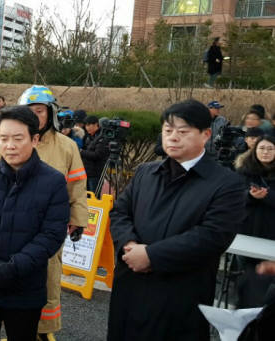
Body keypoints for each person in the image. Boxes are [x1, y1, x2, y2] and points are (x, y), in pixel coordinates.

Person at [108, 99, 246, 341]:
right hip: (131, 286)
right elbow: (119, 212)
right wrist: (129, 244)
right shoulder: (146, 172)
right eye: (168, 130)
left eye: (183, 132)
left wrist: (152, 256)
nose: (173, 137)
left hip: (179, 294)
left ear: (206, 134)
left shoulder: (226, 184)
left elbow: (212, 236)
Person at [0, 106, 69, 341]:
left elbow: (51, 235)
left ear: (35, 139)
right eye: (4, 138)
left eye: (18, 139)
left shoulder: (53, 182)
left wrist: (12, 268)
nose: (9, 145)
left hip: (25, 289)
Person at [17, 86, 87, 340]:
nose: (35, 117)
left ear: (50, 113)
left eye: (39, 111)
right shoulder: (15, 140)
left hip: (50, 227)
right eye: (29, 112)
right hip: (15, 223)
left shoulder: (67, 146)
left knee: (48, 278)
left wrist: (78, 220)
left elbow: (77, 184)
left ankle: (43, 331)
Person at [234, 135, 275, 309]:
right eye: (262, 148)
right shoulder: (244, 170)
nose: (265, 152)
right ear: (254, 150)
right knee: (249, 273)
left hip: (272, 232)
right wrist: (250, 196)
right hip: (248, 230)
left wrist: (267, 196)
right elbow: (233, 199)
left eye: (270, 149)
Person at [81, 115, 109, 193]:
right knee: (86, 197)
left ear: (96, 124)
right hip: (86, 172)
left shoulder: (102, 137)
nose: (87, 127)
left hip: (95, 174)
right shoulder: (87, 137)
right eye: (86, 125)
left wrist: (81, 152)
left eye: (89, 125)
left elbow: (97, 155)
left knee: (95, 197)